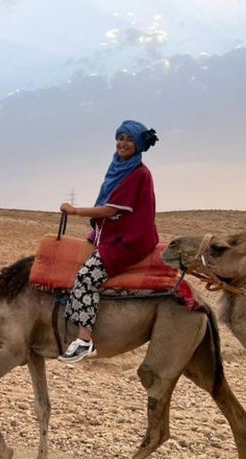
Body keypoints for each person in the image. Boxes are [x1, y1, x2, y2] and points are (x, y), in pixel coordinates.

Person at [57, 120, 159, 363]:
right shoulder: (118, 166)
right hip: (111, 234)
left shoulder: (139, 174)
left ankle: (84, 341)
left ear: (138, 145)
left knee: (86, 277)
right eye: (120, 137)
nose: (123, 143)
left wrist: (75, 211)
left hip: (129, 241)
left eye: (129, 139)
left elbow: (110, 208)